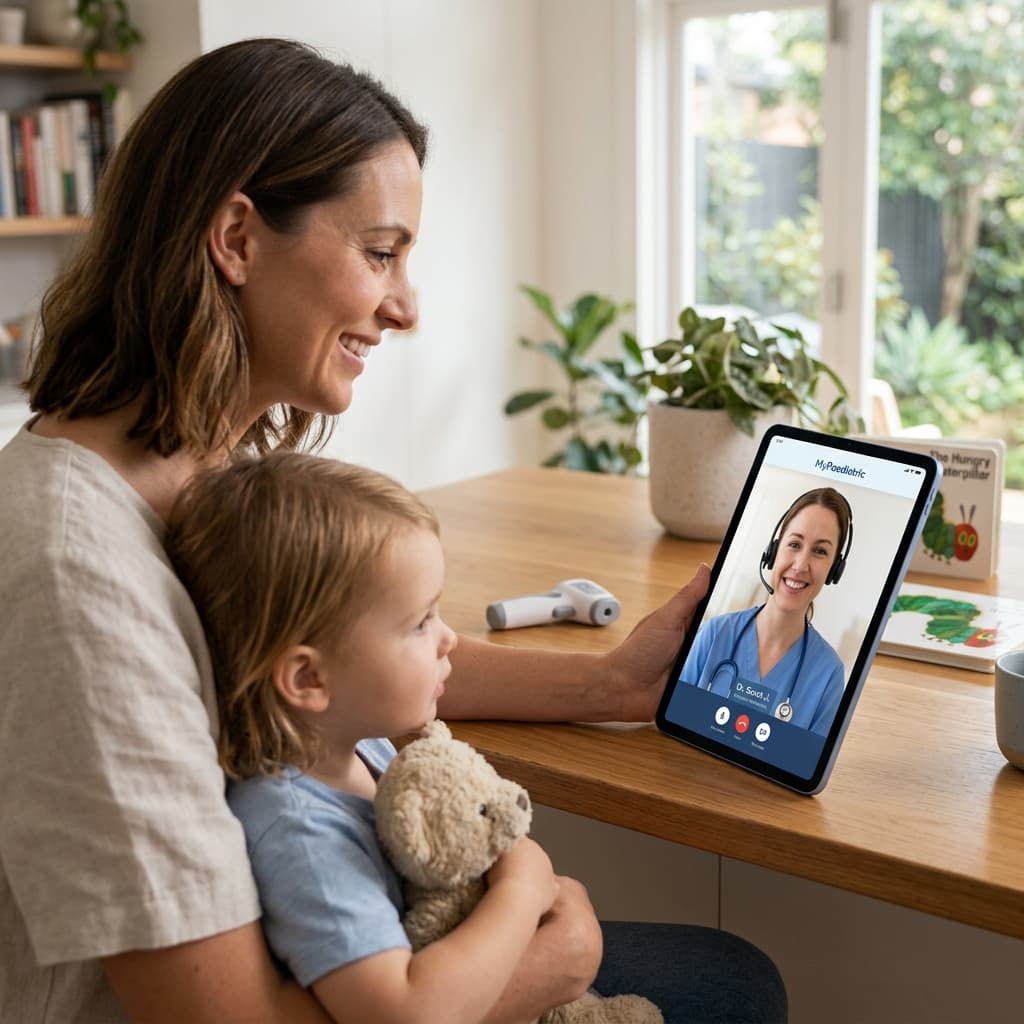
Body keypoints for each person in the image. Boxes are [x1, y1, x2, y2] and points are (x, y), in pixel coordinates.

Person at [0, 37, 786, 1024]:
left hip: (354, 958)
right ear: (237, 239)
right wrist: (542, 968)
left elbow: (333, 652)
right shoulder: (80, 572)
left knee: (731, 973)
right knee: (731, 988)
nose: (405, 307)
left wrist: (609, 684)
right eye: (380, 254)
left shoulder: (200, 468)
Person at [680, 487, 852, 736]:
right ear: (773, 552)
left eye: (820, 551)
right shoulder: (714, 633)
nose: (801, 565)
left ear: (834, 570)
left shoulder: (828, 674)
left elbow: (803, 767)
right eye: (794, 544)